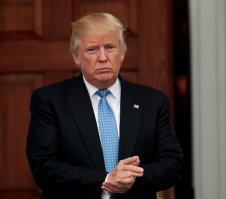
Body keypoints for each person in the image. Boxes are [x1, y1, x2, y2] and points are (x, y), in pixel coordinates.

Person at [26, 13, 183, 199]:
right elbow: (43, 167)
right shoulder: (49, 101)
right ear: (76, 56)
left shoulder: (153, 101)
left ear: (122, 52)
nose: (103, 57)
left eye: (110, 47)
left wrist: (132, 178)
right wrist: (107, 178)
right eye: (92, 50)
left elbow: (172, 165)